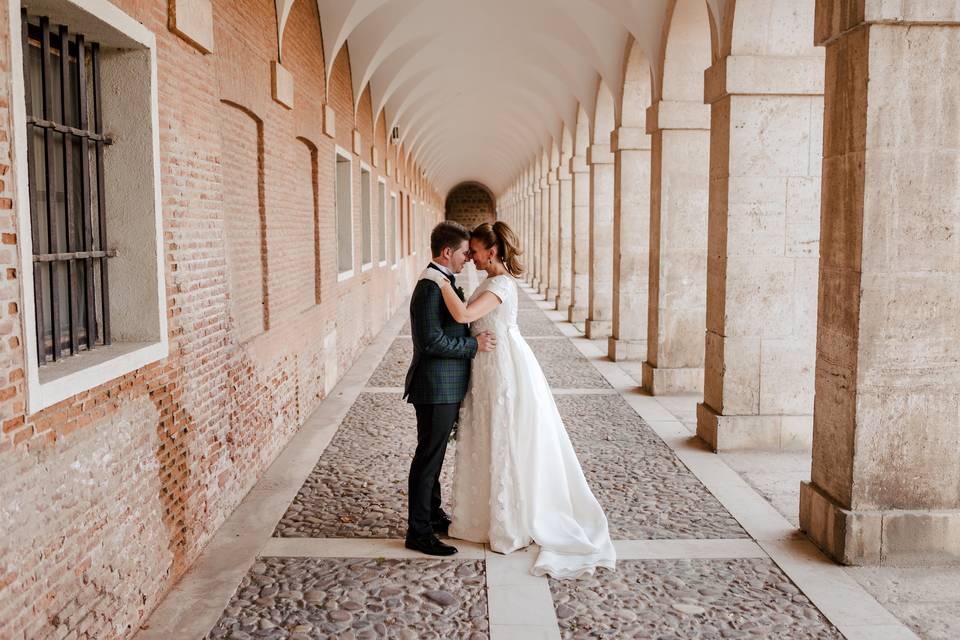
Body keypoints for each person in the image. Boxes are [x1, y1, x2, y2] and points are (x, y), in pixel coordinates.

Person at [420, 221, 616, 579]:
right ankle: (482, 515)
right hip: (486, 367)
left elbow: (464, 315)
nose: (471, 258)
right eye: (468, 252)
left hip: (501, 368)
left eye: (475, 251)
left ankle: (506, 520)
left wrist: (438, 279)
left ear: (491, 252)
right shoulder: (488, 282)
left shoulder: (499, 284)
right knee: (487, 436)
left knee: (503, 437)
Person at [403, 221, 497, 557]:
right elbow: (430, 341)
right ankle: (419, 532)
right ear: (447, 252)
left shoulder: (442, 280)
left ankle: (432, 514)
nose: (467, 259)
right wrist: (473, 346)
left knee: (434, 455)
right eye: (462, 253)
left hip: (443, 386)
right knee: (428, 458)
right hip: (434, 387)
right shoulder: (431, 286)